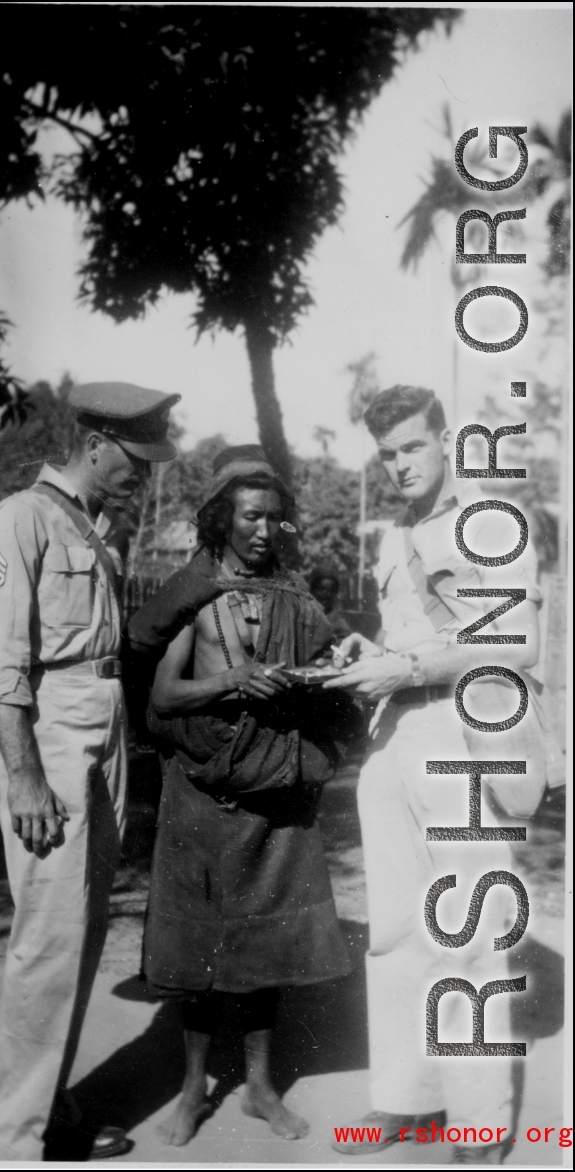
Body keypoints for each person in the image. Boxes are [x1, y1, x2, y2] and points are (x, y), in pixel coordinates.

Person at [0, 381, 180, 1161]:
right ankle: (12, 1143)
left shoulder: (93, 528)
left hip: (101, 724)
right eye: (135, 457)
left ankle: (48, 1109)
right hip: (49, 731)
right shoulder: (20, 520)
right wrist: (23, 777)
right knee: (48, 940)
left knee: (81, 934)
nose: (146, 473)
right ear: (93, 444)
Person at [325, 386, 541, 1165]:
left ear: (447, 442)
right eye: (386, 453)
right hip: (394, 740)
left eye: (411, 447)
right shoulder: (395, 536)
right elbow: (410, 630)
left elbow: (510, 643)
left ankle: (480, 1122)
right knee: (392, 931)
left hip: (465, 732)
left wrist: (406, 666)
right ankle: (405, 1096)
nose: (398, 465)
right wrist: (369, 652)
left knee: (470, 934)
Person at [126, 446, 352, 1147]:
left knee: (267, 950)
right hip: (199, 792)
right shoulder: (191, 593)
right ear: (223, 517)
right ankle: (193, 1090)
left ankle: (257, 1087)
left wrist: (317, 674)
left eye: (273, 519)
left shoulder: (293, 594)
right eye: (251, 516)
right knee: (197, 949)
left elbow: (326, 663)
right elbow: (165, 693)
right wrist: (232, 680)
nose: (263, 530)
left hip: (273, 796)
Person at [308, 566, 352, 643]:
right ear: (312, 591)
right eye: (322, 589)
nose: (326, 594)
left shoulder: (341, 627)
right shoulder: (302, 619)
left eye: (331, 590)